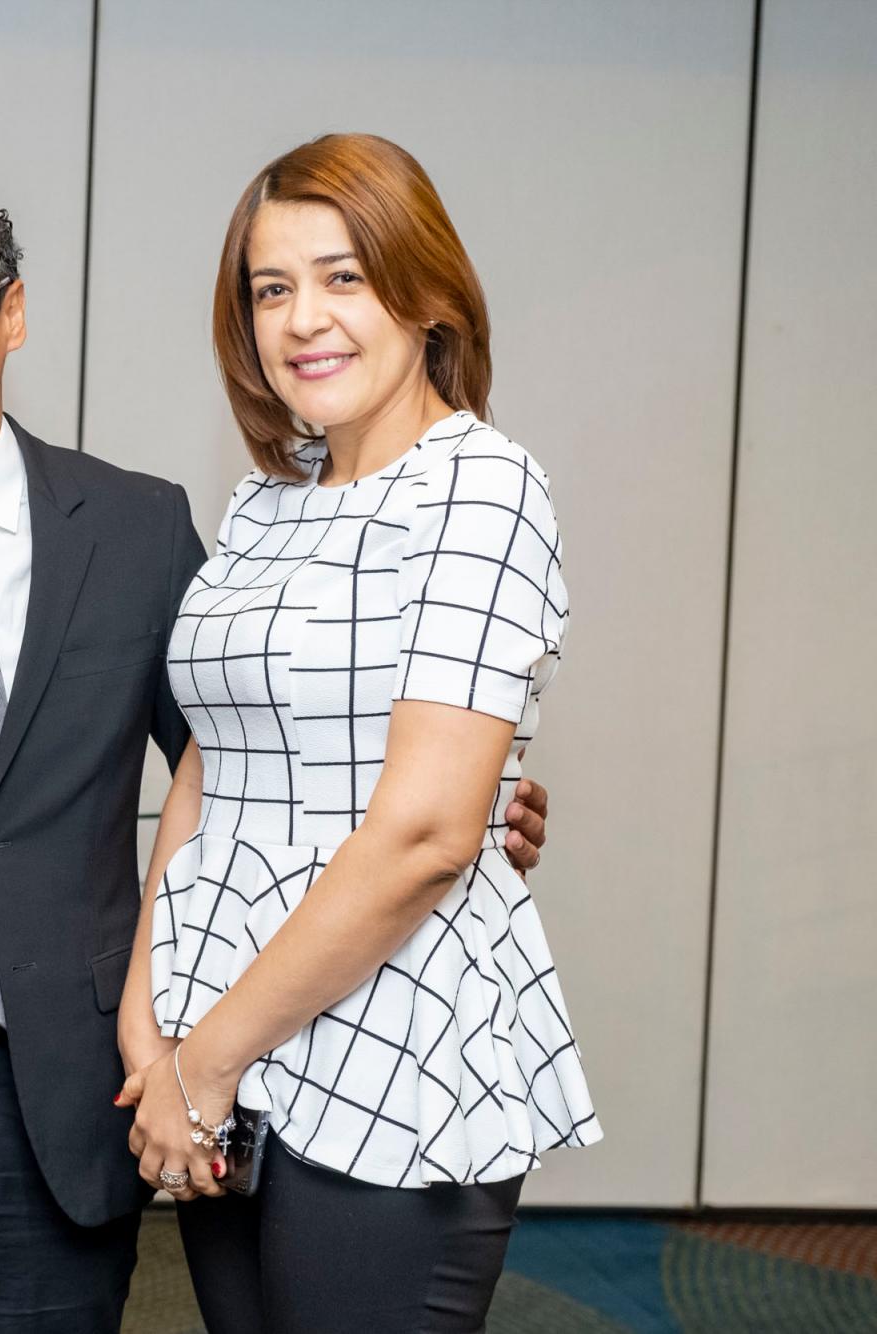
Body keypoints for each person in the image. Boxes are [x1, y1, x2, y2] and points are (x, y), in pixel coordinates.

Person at [0, 161, 554, 1332]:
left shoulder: (138, 531)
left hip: (62, 1090)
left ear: (10, 313)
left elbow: (247, 757)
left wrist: (475, 795)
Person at [116, 133, 601, 1333]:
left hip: (393, 1038)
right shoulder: (267, 502)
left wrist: (205, 1059)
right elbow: (203, 765)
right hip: (222, 1032)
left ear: (425, 297)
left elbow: (428, 833)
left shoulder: (480, 487)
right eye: (270, 287)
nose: (301, 318)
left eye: (342, 276)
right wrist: (149, 1019)